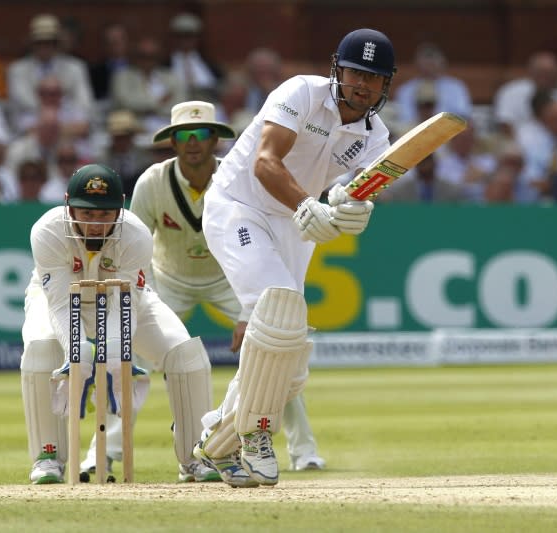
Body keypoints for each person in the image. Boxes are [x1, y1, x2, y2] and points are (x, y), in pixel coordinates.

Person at [191, 28, 395, 488]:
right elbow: (266, 161)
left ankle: (215, 443)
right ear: (338, 70)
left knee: (292, 357)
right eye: (355, 72)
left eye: (374, 77)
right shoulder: (300, 92)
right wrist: (309, 205)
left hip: (294, 223)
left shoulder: (376, 136)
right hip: (238, 206)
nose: (363, 84)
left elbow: (359, 192)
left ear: (386, 85)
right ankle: (256, 433)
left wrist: (354, 210)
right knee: (280, 307)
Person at [95, 100, 322, 478]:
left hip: (229, 278)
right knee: (134, 364)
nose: (193, 142)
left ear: (215, 138)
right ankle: (104, 453)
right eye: (184, 135)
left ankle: (305, 452)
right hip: (168, 278)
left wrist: (250, 313)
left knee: (277, 353)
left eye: (201, 134)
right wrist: (143, 298)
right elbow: (133, 246)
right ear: (172, 142)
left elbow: (260, 241)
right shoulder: (153, 181)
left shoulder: (238, 176)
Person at [20, 163, 217, 484]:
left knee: (185, 354)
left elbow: (124, 304)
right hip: (55, 299)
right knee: (41, 350)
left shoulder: (136, 234)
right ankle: (48, 457)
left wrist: (114, 354)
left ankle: (196, 456)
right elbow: (59, 303)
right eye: (86, 214)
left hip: (122, 300)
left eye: (104, 214)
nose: (95, 224)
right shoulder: (47, 230)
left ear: (120, 208)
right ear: (68, 205)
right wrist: (79, 354)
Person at [393, 42, 471, 127]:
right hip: (413, 131)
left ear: (442, 63)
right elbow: (403, 119)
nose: (428, 67)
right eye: (425, 63)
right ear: (417, 64)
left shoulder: (456, 87)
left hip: (448, 133)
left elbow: (463, 116)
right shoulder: (405, 90)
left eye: (432, 63)